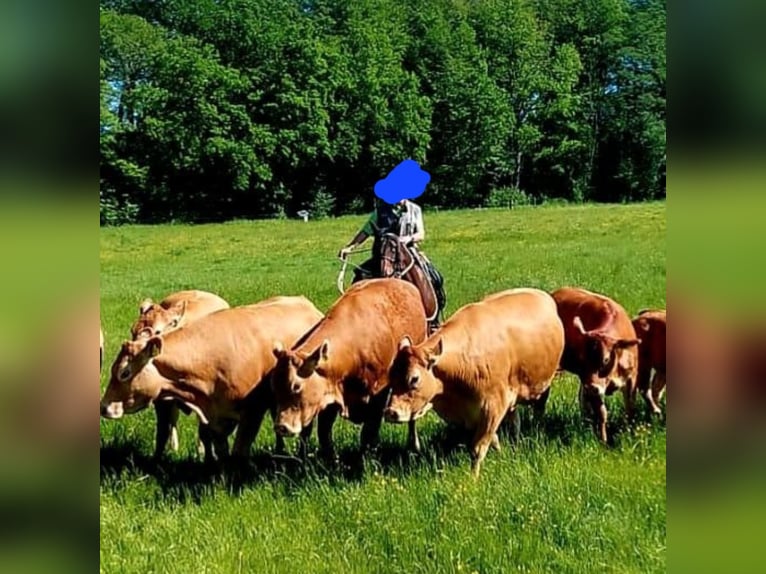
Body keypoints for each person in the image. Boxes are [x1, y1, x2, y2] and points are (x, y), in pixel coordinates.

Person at [338, 198, 446, 322]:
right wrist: (350, 247)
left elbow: (421, 234)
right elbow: (365, 231)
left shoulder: (415, 209)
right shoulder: (380, 212)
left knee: (435, 278)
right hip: (384, 255)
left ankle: (434, 319)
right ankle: (353, 316)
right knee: (359, 278)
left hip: (408, 252)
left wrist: (408, 238)